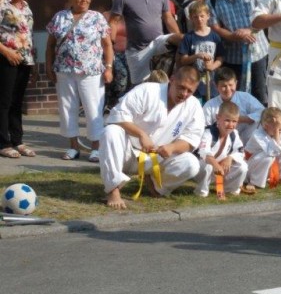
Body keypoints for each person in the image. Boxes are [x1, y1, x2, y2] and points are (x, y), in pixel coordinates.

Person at [99, 65, 205, 210]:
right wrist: (141, 134)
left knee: (191, 163)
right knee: (110, 132)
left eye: (189, 91)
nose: (184, 94)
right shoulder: (147, 91)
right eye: (181, 87)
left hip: (157, 158)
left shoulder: (194, 106)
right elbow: (116, 116)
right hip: (127, 153)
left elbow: (192, 139)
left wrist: (172, 147)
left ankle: (156, 187)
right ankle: (113, 190)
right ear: (172, 79)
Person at [45, 0, 114, 162]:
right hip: (64, 70)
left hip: (91, 72)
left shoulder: (97, 18)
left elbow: (107, 45)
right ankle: (73, 147)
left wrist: (108, 68)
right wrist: (48, 66)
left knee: (93, 108)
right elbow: (50, 45)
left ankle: (96, 148)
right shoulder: (60, 17)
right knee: (67, 108)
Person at [203, 0, 268, 102]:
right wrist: (234, 36)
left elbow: (265, 16)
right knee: (234, 100)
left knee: (260, 98)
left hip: (258, 55)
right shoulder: (211, 0)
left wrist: (250, 30)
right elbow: (215, 27)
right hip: (233, 59)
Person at [110, 0, 183, 86]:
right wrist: (110, 46)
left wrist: (178, 37)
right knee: (140, 87)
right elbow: (113, 22)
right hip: (137, 50)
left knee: (184, 39)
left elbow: (168, 18)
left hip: (158, 43)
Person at [0, 0, 37, 159]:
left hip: (24, 59)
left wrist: (33, 61)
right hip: (5, 58)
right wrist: (6, 51)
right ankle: (3, 143)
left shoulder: (26, 6)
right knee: (4, 101)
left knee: (17, 102)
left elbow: (28, 34)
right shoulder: (1, 3)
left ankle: (17, 140)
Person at [194, 100, 248, 199]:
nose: (230, 125)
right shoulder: (208, 132)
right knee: (208, 166)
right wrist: (215, 164)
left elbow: (240, 151)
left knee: (243, 166)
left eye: (234, 121)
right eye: (227, 120)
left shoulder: (234, 134)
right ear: (218, 118)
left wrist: (230, 158)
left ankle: (230, 189)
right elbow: (203, 151)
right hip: (201, 170)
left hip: (220, 170)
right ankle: (202, 192)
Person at [203, 67, 265, 145]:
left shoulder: (245, 97)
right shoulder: (209, 105)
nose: (228, 89)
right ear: (216, 86)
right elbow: (205, 127)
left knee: (262, 121)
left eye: (231, 85)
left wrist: (242, 119)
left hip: (246, 138)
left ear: (236, 83)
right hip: (220, 141)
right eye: (224, 86)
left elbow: (263, 112)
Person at [178, 1, 224, 102]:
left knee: (211, 105)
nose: (199, 19)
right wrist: (197, 56)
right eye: (195, 17)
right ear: (191, 18)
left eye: (202, 16)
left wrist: (212, 66)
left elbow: (220, 58)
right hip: (194, 81)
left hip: (211, 81)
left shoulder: (215, 36)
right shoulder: (188, 37)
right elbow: (183, 60)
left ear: (208, 16)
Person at [244, 106, 281, 190]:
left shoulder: (280, 132)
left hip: (266, 166)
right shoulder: (257, 134)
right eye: (277, 125)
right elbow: (272, 152)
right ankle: (253, 182)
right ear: (266, 126)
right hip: (250, 167)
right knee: (268, 157)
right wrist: (276, 130)